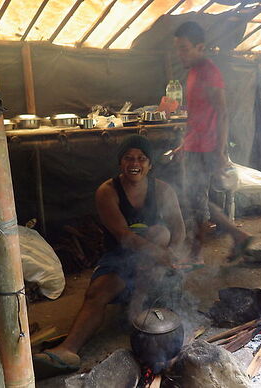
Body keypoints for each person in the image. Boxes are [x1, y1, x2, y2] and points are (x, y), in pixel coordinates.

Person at [32, 135, 186, 377]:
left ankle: (139, 303)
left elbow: (178, 229)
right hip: (121, 255)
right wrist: (159, 255)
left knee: (161, 232)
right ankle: (67, 350)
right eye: (128, 158)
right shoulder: (108, 191)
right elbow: (124, 236)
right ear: (120, 163)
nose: (135, 163)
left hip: (155, 260)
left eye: (141, 158)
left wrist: (171, 255)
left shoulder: (164, 190)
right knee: (97, 293)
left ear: (150, 164)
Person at [173, 21, 252, 264]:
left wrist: (220, 150)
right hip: (194, 146)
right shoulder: (193, 72)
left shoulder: (209, 73)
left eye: (185, 48)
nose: (180, 54)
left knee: (196, 202)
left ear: (200, 47)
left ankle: (196, 254)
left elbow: (223, 112)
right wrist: (183, 144)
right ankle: (237, 235)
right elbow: (196, 116)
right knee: (197, 200)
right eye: (178, 48)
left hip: (207, 149)